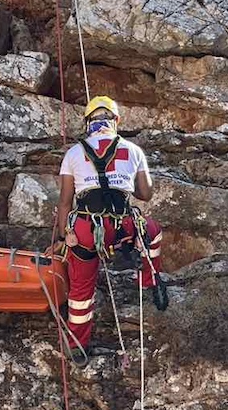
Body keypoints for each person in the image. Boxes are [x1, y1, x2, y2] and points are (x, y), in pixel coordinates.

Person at [53, 96, 168, 356]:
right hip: (121, 227)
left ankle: (76, 345)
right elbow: (146, 194)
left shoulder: (73, 153)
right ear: (116, 121)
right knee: (153, 232)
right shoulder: (132, 150)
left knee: (81, 289)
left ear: (88, 122)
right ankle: (149, 281)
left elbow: (64, 202)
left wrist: (64, 236)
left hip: (84, 230)